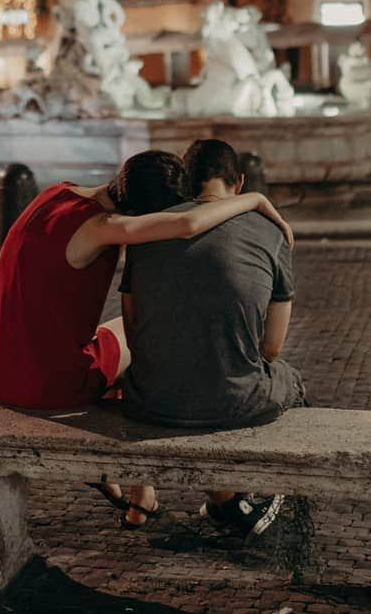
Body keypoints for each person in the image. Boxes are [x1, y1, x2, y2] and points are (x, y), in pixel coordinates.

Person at [0, 148, 294, 525]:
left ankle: (141, 494)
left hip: (0, 369)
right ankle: (218, 495)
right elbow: (188, 225)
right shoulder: (102, 226)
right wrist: (256, 199)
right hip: (46, 383)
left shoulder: (56, 193)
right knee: (145, 338)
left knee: (126, 337)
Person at [119, 138, 306, 539]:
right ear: (238, 183)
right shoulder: (269, 233)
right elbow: (271, 348)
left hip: (148, 399)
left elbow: (134, 331)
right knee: (290, 381)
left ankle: (218, 497)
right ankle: (233, 498)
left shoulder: (150, 227)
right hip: (231, 402)